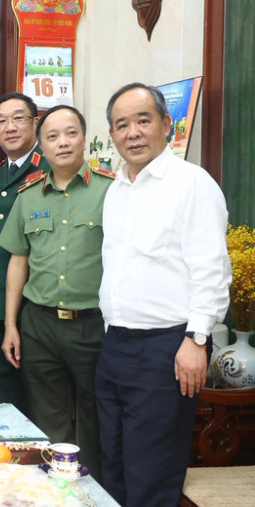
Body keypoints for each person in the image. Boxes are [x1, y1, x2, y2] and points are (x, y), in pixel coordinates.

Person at [96, 83, 231, 507]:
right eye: (122, 124)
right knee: (113, 467)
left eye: (143, 120)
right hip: (116, 344)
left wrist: (196, 340)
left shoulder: (191, 183)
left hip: (167, 349)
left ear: (166, 125)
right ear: (113, 134)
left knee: (150, 474)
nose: (132, 132)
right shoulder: (115, 189)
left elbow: (211, 267)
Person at [0, 105, 114, 479]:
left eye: (70, 133)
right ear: (41, 146)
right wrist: (11, 325)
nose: (62, 142)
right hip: (40, 324)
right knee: (50, 418)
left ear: (84, 137)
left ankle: (95, 495)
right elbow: (19, 261)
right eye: (52, 136)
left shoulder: (112, 190)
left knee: (95, 416)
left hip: (94, 325)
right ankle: (57, 492)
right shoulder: (29, 195)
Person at [0, 92, 50, 412]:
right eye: (1, 121)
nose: (10, 127)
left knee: (39, 394)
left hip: (37, 301)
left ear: (35, 122)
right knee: (2, 392)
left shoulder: (50, 168)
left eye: (18, 118)